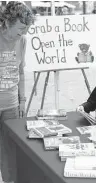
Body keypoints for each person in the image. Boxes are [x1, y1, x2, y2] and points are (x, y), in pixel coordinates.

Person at [0, 1, 34, 183]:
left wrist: (22, 100)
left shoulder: (22, 40)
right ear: (7, 21)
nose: (24, 32)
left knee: (10, 151)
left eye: (27, 28)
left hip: (12, 105)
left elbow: (20, 71)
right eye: (21, 27)